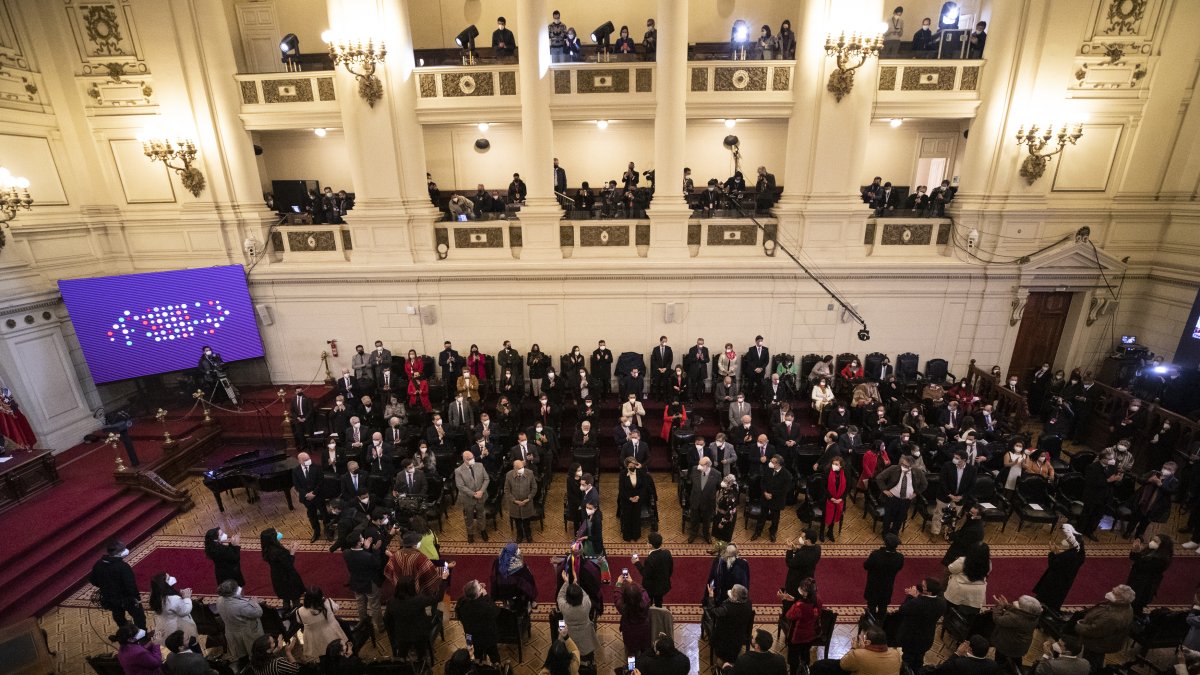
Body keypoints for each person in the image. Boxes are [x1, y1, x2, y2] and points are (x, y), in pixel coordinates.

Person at [1074, 584, 1136, 672]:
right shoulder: (1127, 607)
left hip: (1098, 644)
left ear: (1121, 600)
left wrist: (1079, 626)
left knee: (1090, 663)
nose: (1111, 593)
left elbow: (1094, 631)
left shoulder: (1111, 618)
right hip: (1108, 641)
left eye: (1114, 593)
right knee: (1097, 659)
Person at [385, 574, 446, 662]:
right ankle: (422, 663)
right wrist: (444, 580)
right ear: (411, 588)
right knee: (422, 655)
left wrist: (393, 635)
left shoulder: (391, 602)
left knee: (402, 656)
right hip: (419, 635)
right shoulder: (418, 600)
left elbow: (387, 620)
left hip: (402, 635)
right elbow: (438, 598)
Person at [89, 539, 145, 631]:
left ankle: (125, 633)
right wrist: (137, 598)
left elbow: (92, 579)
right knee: (139, 617)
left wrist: (105, 587)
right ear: (119, 553)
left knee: (118, 616)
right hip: (127, 598)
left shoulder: (98, 564)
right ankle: (142, 635)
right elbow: (130, 585)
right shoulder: (123, 567)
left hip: (110, 598)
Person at [894, 578, 946, 672]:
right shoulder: (941, 602)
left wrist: (910, 596)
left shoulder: (917, 603)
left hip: (910, 638)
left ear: (929, 592)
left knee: (907, 661)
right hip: (926, 638)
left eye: (923, 586)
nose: (920, 587)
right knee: (919, 659)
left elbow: (903, 610)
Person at [342, 529, 384, 633]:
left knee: (360, 604)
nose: (363, 539)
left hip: (355, 582)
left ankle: (363, 624)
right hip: (369, 583)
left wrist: (365, 548)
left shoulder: (346, 553)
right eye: (361, 538)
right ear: (359, 542)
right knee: (374, 605)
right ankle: (380, 627)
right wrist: (375, 550)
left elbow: (359, 557)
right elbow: (376, 564)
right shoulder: (368, 556)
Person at [1125, 461, 1180, 539]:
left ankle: (1139, 534)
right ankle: (1128, 531)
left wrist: (1160, 485)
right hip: (1142, 500)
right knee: (1134, 518)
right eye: (1164, 468)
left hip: (1155, 505)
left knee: (1146, 521)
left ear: (1173, 472)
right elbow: (1140, 480)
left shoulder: (1174, 481)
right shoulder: (1153, 473)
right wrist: (1149, 480)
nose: (1165, 470)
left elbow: (1172, 492)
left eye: (1169, 469)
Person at [875, 456, 926, 537]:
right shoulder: (894, 468)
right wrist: (884, 490)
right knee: (887, 516)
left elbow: (924, 484)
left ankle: (894, 533)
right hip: (892, 498)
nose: (903, 467)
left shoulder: (918, 472)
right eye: (903, 464)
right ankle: (885, 533)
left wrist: (916, 493)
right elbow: (879, 478)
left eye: (906, 466)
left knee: (900, 518)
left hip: (906, 500)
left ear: (912, 467)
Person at [215, 579, 264, 661]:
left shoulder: (219, 600)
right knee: (254, 654)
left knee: (241, 654)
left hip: (231, 632)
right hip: (247, 633)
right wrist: (254, 603)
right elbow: (258, 613)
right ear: (234, 591)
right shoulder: (241, 605)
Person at [260, 528, 305, 617]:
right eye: (276, 533)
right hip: (287, 577)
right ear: (273, 538)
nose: (279, 533)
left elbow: (279, 560)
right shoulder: (278, 551)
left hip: (277, 576)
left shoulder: (268, 548)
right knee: (295, 597)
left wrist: (286, 552)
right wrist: (292, 552)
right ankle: (297, 616)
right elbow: (288, 564)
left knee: (285, 596)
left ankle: (286, 612)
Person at [990, 595, 1043, 670]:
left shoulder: (1015, 618)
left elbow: (997, 619)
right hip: (1020, 646)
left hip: (1007, 645)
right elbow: (1020, 612)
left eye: (1019, 603)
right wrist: (1006, 605)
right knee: (1017, 662)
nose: (1017, 602)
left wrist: (1000, 606)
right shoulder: (1033, 616)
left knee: (1000, 662)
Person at [707, 583, 754, 665]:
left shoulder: (726, 609)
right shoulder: (749, 603)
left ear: (734, 597)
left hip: (724, 641)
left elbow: (712, 612)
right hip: (739, 637)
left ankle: (719, 669)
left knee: (721, 660)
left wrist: (711, 596)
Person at [457, 579, 501, 664]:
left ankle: (477, 669)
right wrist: (486, 596)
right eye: (480, 588)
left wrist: (477, 590)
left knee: (476, 658)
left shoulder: (461, 603)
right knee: (494, 656)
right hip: (487, 638)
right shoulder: (485, 606)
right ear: (477, 594)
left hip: (470, 637)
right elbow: (496, 612)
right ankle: (497, 669)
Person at [1127, 534, 1174, 614]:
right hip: (1136, 579)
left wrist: (1137, 553)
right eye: (1152, 539)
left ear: (1162, 545)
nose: (1152, 542)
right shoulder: (1149, 549)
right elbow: (1134, 559)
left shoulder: (1162, 560)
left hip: (1145, 585)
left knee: (1136, 605)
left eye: (1156, 541)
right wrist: (1134, 550)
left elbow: (1142, 566)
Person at [298, 587, 347, 661]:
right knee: (338, 654)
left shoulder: (299, 611)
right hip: (333, 635)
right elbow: (336, 608)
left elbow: (299, 621)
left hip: (316, 639)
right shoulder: (328, 603)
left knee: (322, 656)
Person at [783, 578, 822, 673]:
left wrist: (789, 602)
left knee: (793, 658)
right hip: (811, 634)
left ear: (805, 592)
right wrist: (794, 599)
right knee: (805, 653)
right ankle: (805, 669)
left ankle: (793, 671)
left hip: (797, 637)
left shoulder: (799, 606)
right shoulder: (818, 599)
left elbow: (789, 615)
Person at [863, 533, 904, 620]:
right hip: (887, 586)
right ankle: (881, 623)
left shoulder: (876, 555)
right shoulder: (900, 557)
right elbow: (899, 568)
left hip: (873, 585)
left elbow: (866, 566)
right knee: (883, 606)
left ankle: (871, 623)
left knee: (871, 605)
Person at [149, 572, 197, 646]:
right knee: (188, 642)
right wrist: (187, 598)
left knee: (175, 645)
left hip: (166, 625)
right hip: (179, 625)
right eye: (168, 578)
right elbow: (185, 611)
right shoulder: (172, 599)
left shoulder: (154, 596)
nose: (171, 578)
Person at [557, 575, 597, 663]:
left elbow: (560, 596)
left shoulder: (564, 607)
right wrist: (575, 583)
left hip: (568, 639)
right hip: (586, 639)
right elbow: (585, 594)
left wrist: (567, 582)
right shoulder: (586, 604)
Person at [455, 450, 490, 543]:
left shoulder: (480, 465)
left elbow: (486, 479)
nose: (472, 460)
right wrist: (474, 494)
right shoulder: (458, 471)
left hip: (481, 496)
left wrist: (481, 491)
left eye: (472, 458)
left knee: (481, 514)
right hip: (468, 499)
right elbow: (460, 486)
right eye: (469, 459)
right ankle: (470, 534)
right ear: (464, 460)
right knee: (469, 517)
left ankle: (482, 530)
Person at [491, 542, 537, 613]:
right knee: (529, 582)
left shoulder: (498, 560)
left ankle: (505, 605)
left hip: (501, 588)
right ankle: (530, 602)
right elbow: (526, 578)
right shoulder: (517, 564)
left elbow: (494, 575)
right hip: (514, 589)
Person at [945, 542, 990, 613]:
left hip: (958, 591)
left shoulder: (962, 561)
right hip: (977, 593)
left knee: (951, 614)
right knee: (971, 616)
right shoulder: (988, 563)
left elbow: (951, 569)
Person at [615, 572, 653, 657]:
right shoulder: (646, 602)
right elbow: (643, 591)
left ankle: (632, 669)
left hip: (629, 632)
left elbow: (617, 596)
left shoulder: (622, 607)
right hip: (644, 630)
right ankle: (643, 665)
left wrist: (618, 584)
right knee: (645, 650)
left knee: (631, 652)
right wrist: (632, 582)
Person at [633, 531, 672, 607]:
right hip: (663, 586)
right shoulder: (667, 553)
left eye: (647, 542)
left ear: (650, 545)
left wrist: (637, 562)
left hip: (650, 588)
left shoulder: (650, 559)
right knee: (659, 602)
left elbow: (645, 574)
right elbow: (670, 570)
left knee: (648, 602)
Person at [505, 458, 538, 543]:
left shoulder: (529, 473)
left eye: (522, 467)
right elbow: (507, 490)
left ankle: (528, 535)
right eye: (519, 468)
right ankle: (519, 535)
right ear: (515, 468)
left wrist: (528, 498)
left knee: (527, 523)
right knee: (518, 523)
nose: (521, 469)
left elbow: (534, 488)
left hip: (527, 503)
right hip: (515, 505)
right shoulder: (509, 475)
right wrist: (514, 501)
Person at [933, 635, 1002, 675]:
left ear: (970, 649)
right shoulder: (993, 665)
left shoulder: (959, 663)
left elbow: (941, 670)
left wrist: (957, 653)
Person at [618, 457, 650, 542]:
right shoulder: (623, 473)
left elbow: (644, 487)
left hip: (638, 499)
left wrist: (638, 496)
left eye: (633, 466)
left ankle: (636, 535)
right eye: (630, 467)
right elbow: (621, 489)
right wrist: (629, 498)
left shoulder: (641, 472)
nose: (632, 468)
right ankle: (627, 536)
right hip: (626, 500)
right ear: (627, 466)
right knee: (627, 517)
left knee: (636, 517)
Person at [688, 457, 720, 543]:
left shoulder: (717, 474)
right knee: (694, 519)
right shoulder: (694, 469)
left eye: (701, 465)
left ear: (708, 465)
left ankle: (706, 535)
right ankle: (693, 534)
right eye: (699, 464)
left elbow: (718, 487)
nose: (699, 466)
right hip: (696, 499)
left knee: (707, 520)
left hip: (708, 501)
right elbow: (691, 482)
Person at [821, 456, 848, 542]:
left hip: (839, 500)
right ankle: (821, 532)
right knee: (824, 516)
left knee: (834, 517)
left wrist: (841, 498)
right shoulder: (827, 471)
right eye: (833, 464)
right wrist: (831, 498)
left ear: (841, 466)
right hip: (827, 499)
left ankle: (830, 531)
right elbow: (823, 487)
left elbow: (847, 488)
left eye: (836, 464)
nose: (834, 465)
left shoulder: (845, 473)